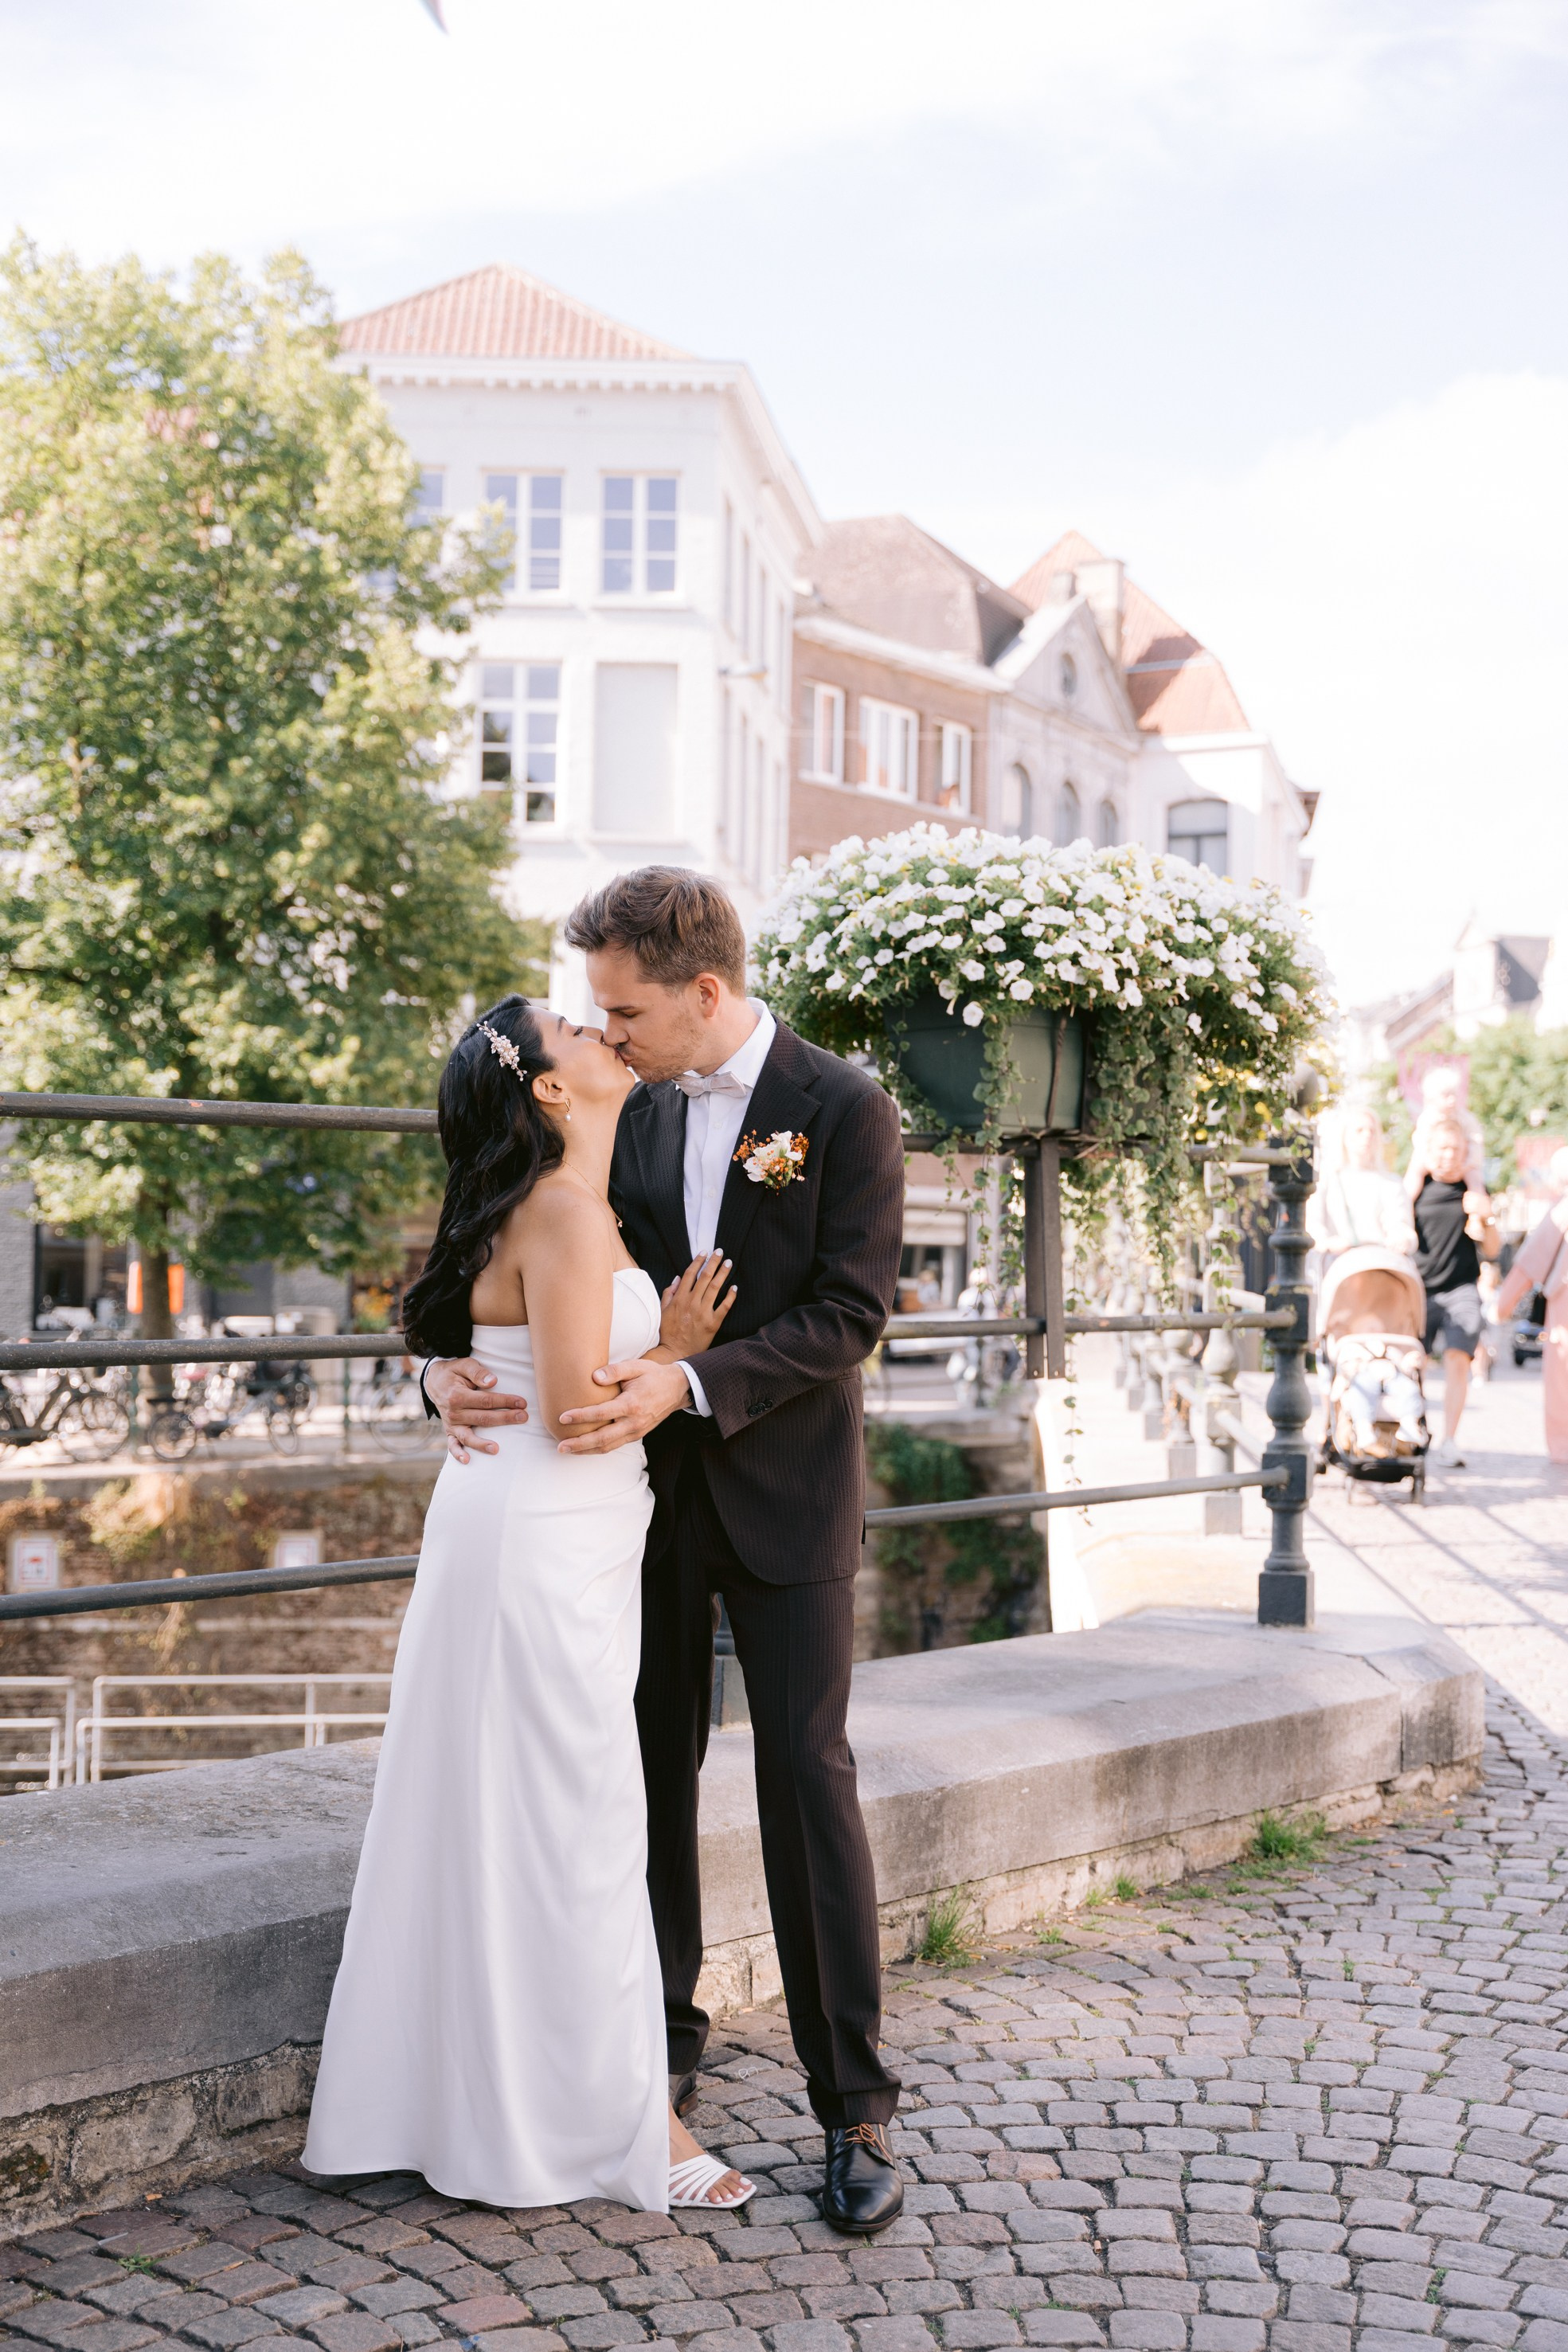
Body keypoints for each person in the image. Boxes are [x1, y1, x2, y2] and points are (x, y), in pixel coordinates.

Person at [424, 869, 908, 2238]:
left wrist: (684, 1385)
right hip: (620, 1507)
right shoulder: (615, 1099)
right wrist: (447, 1371)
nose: (605, 1032)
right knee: (630, 1777)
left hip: (781, 1493)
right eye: (592, 1012)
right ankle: (651, 2052)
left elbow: (847, 1312)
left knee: (807, 1779)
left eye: (623, 1008)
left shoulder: (844, 1107)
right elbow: (501, 1240)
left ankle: (854, 2102)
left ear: (705, 992)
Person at [303, 996, 757, 2213]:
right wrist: (665, 1344)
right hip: (539, 1550)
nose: (601, 1026)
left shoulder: (574, 1199)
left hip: (544, 1541)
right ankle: (633, 2127)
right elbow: (573, 1411)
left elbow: (470, 1337)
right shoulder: (559, 1209)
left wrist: (441, 1364)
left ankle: (468, 2103)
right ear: (550, 1091)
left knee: (509, 1821)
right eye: (573, 1024)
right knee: (580, 1828)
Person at [1413, 1115, 1501, 1469]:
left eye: (1455, 1149)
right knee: (1411, 1363)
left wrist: (1487, 1217)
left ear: (1465, 1153)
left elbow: (1492, 1249)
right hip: (1418, 1287)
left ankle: (1449, 1440)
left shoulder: (1473, 1189)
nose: (1448, 1155)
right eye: (1442, 1149)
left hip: (1460, 1287)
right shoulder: (1415, 1188)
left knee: (1457, 1357)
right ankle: (1414, 1429)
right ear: (1429, 1151)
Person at [1494, 1144, 1568, 1465]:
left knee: (1561, 1378)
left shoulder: (1561, 1211)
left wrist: (1502, 1306)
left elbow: (1529, 1263)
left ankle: (1563, 1447)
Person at [1308, 1105, 1417, 1257]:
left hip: (1381, 1263)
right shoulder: (1327, 1178)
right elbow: (1313, 1224)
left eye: (1372, 1131)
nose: (1367, 1136)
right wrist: (1327, 1243)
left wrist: (1401, 1238)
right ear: (1344, 1135)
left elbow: (1400, 1222)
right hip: (1337, 1264)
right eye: (1359, 1130)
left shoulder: (1390, 1182)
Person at [1406, 1066, 1485, 1201]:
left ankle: (1477, 1215)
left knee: (1476, 1181)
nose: (1451, 1100)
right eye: (1446, 1095)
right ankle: (1407, 1202)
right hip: (1432, 1161)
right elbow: (1421, 1145)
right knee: (1414, 1172)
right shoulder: (1428, 1118)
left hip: (1462, 1162)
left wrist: (1466, 1165)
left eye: (1454, 1094)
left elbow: (1476, 1143)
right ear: (1433, 1097)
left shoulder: (1465, 1118)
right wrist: (1432, 1165)